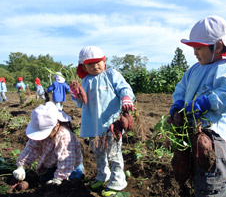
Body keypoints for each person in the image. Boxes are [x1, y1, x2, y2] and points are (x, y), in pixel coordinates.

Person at [169, 15, 226, 196]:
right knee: (189, 171)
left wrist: (206, 101)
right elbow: (181, 89)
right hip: (190, 131)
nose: (195, 53)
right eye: (194, 48)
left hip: (211, 136)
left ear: (217, 46)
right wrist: (177, 105)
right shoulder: (193, 69)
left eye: (199, 48)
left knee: (211, 181)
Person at [71, 46, 135, 197]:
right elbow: (81, 104)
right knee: (98, 153)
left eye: (98, 62)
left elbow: (124, 88)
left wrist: (126, 97)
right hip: (93, 126)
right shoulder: (84, 81)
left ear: (104, 61)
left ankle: (118, 181)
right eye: (90, 64)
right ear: (83, 66)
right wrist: (75, 93)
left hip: (111, 125)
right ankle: (102, 175)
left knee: (114, 154)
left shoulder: (112, 74)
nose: (95, 66)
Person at [12, 101, 84, 185]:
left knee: (71, 181)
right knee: (43, 180)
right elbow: (32, 148)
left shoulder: (64, 136)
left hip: (71, 166)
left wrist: (59, 179)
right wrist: (22, 166)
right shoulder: (42, 129)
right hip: (51, 163)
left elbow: (66, 159)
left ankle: (74, 175)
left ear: (56, 126)